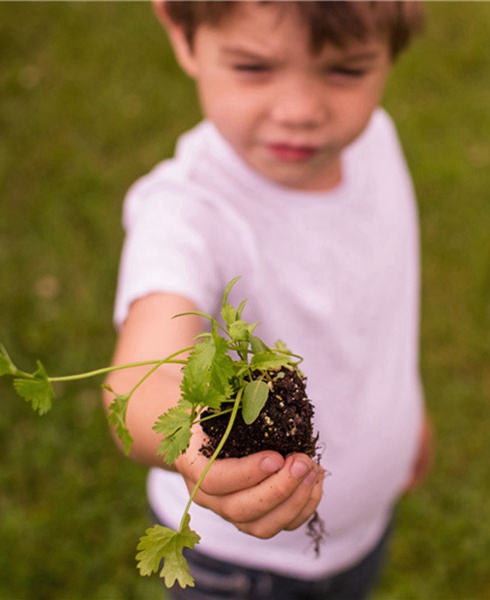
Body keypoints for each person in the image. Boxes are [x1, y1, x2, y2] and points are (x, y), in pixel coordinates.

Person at [102, 2, 433, 598]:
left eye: (347, 72)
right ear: (183, 33)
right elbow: (135, 386)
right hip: (240, 570)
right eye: (254, 67)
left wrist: (402, 415)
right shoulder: (187, 214)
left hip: (362, 532)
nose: (301, 112)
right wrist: (201, 453)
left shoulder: (373, 140)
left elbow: (372, 311)